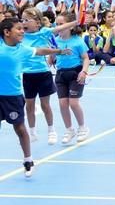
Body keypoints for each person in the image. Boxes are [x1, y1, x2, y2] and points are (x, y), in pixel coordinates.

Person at [0, 17, 70, 177]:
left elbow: (40, 51)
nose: (22, 31)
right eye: (18, 29)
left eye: (22, 28)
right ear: (6, 32)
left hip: (13, 96)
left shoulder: (22, 49)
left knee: (19, 128)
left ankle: (28, 159)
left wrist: (58, 51)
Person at [20, 8, 78, 145]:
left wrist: (75, 22)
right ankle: (32, 132)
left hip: (42, 73)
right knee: (29, 106)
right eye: (22, 20)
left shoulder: (43, 33)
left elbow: (59, 28)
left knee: (45, 105)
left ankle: (51, 131)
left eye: (27, 20)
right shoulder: (21, 35)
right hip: (27, 75)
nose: (24, 23)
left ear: (38, 23)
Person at [53, 12, 91, 145]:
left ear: (69, 26)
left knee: (73, 103)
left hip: (75, 74)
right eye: (56, 24)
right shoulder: (55, 41)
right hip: (60, 74)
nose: (58, 27)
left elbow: (86, 58)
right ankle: (69, 130)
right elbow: (51, 58)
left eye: (61, 24)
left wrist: (84, 72)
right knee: (63, 104)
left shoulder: (77, 41)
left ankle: (82, 128)